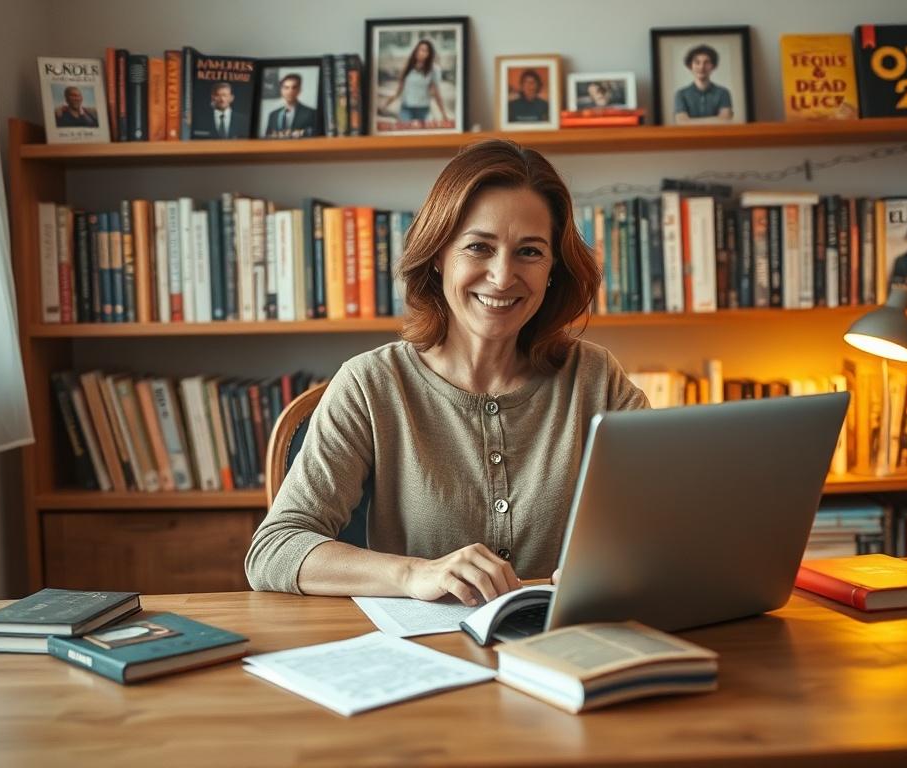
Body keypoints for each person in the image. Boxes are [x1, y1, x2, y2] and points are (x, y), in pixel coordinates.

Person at [245, 140, 649, 604]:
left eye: (530, 252)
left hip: (564, 649)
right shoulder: (370, 384)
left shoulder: (597, 377)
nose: (502, 277)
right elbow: (274, 549)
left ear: (554, 267)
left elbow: (668, 515)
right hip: (424, 659)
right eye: (479, 247)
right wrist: (414, 575)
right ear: (438, 254)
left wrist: (620, 564)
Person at [381, 38, 450, 127]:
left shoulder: (433, 70)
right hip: (406, 109)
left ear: (429, 54)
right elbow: (398, 92)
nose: (421, 53)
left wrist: (444, 114)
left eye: (425, 51)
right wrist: (386, 104)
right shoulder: (408, 68)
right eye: (419, 49)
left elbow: (436, 94)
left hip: (423, 110)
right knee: (404, 135)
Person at [673, 44, 734, 122]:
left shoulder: (723, 93)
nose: (701, 67)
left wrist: (691, 121)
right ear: (690, 66)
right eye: (697, 62)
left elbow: (725, 119)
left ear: (713, 66)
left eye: (706, 62)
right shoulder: (681, 94)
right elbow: (682, 122)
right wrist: (715, 120)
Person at [263, 73, 318, 138]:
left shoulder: (311, 113)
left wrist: (302, 132)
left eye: (294, 87)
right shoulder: (273, 115)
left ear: (299, 90)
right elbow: (266, 137)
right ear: (281, 90)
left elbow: (317, 133)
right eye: (286, 87)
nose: (290, 91)